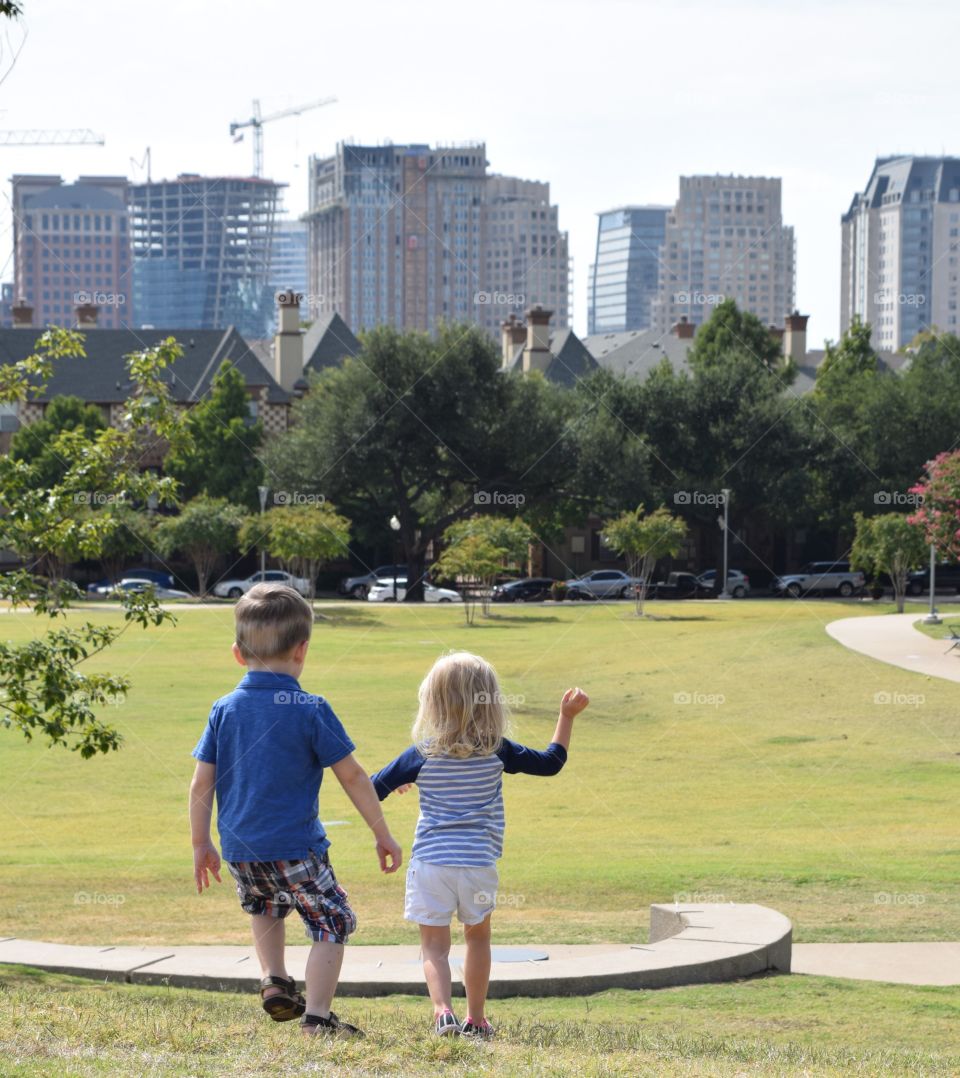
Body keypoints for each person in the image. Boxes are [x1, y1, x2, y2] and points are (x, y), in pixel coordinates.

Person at [188, 583, 402, 1038]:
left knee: (264, 904)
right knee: (332, 919)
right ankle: (318, 1019)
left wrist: (200, 842)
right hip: (297, 847)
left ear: (237, 653)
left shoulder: (222, 709)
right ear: (302, 650)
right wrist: (382, 832)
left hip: (239, 847)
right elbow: (353, 776)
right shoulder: (309, 708)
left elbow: (201, 784)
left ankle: (274, 980)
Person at [371, 651, 588, 1038]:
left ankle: (442, 1013)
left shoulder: (420, 755)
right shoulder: (497, 750)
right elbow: (551, 762)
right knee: (478, 938)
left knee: (434, 948)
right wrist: (566, 716)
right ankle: (476, 1018)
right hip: (478, 865)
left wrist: (398, 788)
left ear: (433, 701)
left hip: (431, 865)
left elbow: (372, 789)